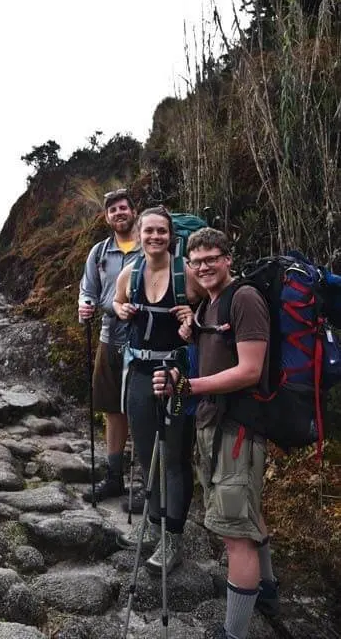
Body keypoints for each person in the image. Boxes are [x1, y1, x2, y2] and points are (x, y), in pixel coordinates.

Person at [153, 227, 279, 639]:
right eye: (197, 261)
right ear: (188, 266)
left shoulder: (243, 299)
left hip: (238, 427)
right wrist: (179, 376)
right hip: (215, 424)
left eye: (212, 258)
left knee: (233, 534)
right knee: (244, 513)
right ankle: (267, 592)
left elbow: (249, 371)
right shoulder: (208, 306)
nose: (204, 266)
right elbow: (209, 367)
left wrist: (190, 387)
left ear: (228, 258)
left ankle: (234, 632)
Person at [113, 205, 203, 575]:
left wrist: (192, 321)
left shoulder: (187, 275)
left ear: (172, 236)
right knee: (146, 450)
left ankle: (173, 539)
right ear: (139, 233)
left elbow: (215, 310)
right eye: (148, 231)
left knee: (176, 456)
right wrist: (119, 309)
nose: (155, 237)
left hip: (177, 376)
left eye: (161, 232)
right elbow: (116, 302)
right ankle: (154, 526)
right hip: (138, 372)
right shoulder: (130, 274)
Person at [78, 188, 141, 505]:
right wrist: (85, 305)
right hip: (108, 336)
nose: (119, 213)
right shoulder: (99, 252)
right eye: (113, 210)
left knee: (143, 411)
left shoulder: (150, 247)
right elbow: (87, 289)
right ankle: (114, 478)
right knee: (112, 410)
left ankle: (147, 484)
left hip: (145, 338)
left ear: (134, 212)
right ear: (107, 217)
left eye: (123, 208)